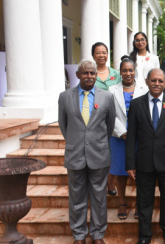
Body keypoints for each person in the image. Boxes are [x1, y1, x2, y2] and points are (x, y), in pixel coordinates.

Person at [58, 59, 116, 244]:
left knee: (99, 198)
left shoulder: (106, 97)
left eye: (92, 73)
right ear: (77, 75)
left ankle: (98, 234)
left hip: (99, 154)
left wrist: (96, 142)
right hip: (75, 154)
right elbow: (63, 125)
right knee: (76, 197)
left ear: (96, 75)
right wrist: (77, 142)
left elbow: (110, 125)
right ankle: (79, 235)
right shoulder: (65, 96)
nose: (89, 76)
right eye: (85, 73)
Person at [125, 68, 165, 244]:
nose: (157, 84)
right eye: (153, 80)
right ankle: (144, 236)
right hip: (143, 162)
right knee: (143, 202)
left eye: (160, 81)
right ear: (147, 81)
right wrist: (130, 163)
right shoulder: (136, 104)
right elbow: (132, 136)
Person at [108, 56, 144, 220]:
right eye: (124, 70)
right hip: (118, 137)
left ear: (135, 71)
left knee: (140, 171)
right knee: (120, 171)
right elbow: (109, 114)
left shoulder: (144, 88)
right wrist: (122, 131)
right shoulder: (111, 90)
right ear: (120, 72)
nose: (128, 73)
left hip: (140, 137)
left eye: (131, 70)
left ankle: (139, 203)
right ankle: (122, 202)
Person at [92, 41, 121, 197]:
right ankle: (98, 184)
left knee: (112, 153)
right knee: (97, 153)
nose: (101, 55)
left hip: (113, 118)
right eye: (98, 52)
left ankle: (111, 183)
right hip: (95, 119)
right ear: (93, 56)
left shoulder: (115, 74)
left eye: (104, 52)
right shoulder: (90, 73)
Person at [129, 32, 160, 97]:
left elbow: (157, 75)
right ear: (134, 43)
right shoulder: (130, 58)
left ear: (146, 41)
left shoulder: (154, 58)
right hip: (134, 89)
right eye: (137, 40)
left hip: (150, 89)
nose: (140, 42)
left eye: (142, 39)